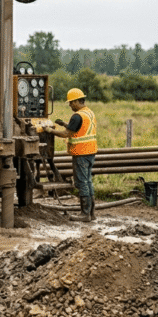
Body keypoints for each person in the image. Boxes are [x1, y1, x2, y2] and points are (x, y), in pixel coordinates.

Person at [49, 88, 98, 221]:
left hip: (81, 153)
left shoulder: (77, 116)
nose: (70, 105)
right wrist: (65, 124)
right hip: (90, 152)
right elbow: (78, 129)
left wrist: (50, 131)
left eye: (71, 103)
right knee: (88, 181)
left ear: (77, 101)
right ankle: (91, 214)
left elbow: (67, 134)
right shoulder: (89, 113)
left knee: (82, 183)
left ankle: (84, 214)